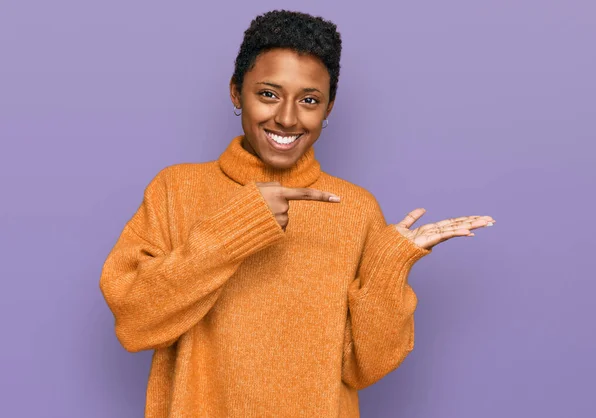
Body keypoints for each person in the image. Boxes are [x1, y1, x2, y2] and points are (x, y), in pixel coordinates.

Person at [99, 9, 495, 418]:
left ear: (328, 108)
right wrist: (240, 227)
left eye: (309, 100)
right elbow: (135, 321)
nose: (287, 117)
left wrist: (388, 269)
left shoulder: (357, 209)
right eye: (268, 94)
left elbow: (366, 367)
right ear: (236, 93)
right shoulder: (176, 189)